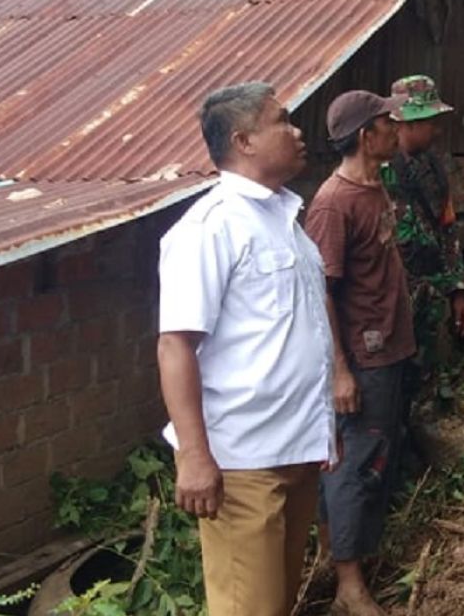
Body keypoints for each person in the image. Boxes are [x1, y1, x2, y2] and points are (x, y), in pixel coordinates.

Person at [155, 82, 336, 616]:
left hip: (295, 450)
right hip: (243, 464)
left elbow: (303, 335)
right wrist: (193, 455)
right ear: (244, 141)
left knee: (274, 606)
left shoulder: (287, 225)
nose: (298, 131)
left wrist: (322, 427)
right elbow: (175, 345)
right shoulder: (211, 228)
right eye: (282, 121)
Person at [304, 89, 415, 616]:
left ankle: (336, 560)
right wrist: (339, 371)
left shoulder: (374, 187)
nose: (397, 127)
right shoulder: (333, 203)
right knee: (354, 464)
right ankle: (349, 586)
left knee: (371, 458)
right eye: (387, 121)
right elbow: (321, 292)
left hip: (388, 348)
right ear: (367, 136)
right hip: (361, 359)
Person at [383, 74, 464, 381]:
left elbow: (447, 229)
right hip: (387, 310)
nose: (437, 129)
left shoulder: (432, 168)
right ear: (407, 122)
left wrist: (457, 289)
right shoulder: (374, 170)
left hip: (427, 303)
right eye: (430, 121)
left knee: (420, 382)